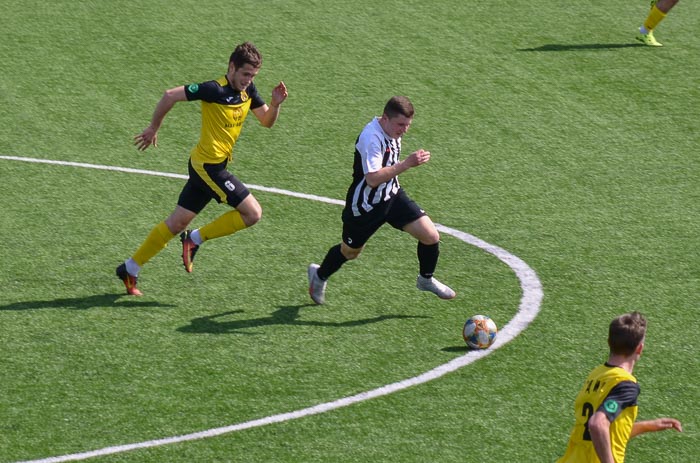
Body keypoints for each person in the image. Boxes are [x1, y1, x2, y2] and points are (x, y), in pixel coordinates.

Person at [116, 42, 288, 296]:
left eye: (252, 76)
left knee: (177, 222)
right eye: (245, 74)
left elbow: (266, 121)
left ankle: (130, 268)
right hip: (209, 168)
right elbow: (169, 95)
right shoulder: (213, 89)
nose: (248, 80)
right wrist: (153, 127)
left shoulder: (248, 90)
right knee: (253, 213)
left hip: (209, 165)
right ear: (232, 67)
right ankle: (194, 239)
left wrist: (275, 105)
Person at [307, 96, 455, 305]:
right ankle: (319, 275)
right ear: (385, 118)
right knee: (350, 252)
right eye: (401, 125)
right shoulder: (371, 137)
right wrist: (407, 164)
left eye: (408, 125)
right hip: (365, 206)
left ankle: (425, 279)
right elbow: (373, 178)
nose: (404, 130)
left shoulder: (391, 128)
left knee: (431, 236)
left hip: (392, 195)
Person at [557, 311, 682, 463]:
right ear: (640, 348)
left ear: (609, 342)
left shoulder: (597, 374)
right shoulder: (625, 385)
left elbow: (603, 434)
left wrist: (648, 426)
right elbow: (597, 424)